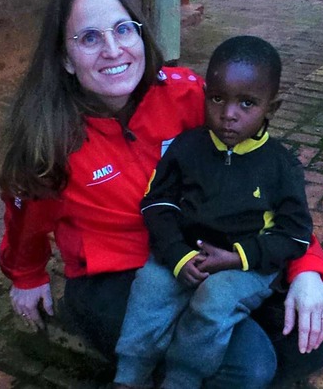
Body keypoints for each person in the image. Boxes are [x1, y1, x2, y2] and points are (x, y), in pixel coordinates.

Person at [0, 0, 323, 388]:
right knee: (249, 363)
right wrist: (27, 276)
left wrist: (306, 269)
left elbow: (264, 177)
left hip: (211, 254)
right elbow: (27, 217)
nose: (113, 50)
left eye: (123, 30)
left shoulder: (188, 96)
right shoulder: (50, 136)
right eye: (90, 38)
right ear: (64, 57)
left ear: (141, 34)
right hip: (121, 276)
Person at [114, 36, 312, 389]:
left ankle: (181, 379)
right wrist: (176, 254)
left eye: (247, 103)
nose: (228, 114)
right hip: (184, 252)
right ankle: (129, 376)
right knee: (149, 287)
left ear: (272, 107)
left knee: (214, 299)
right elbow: (157, 204)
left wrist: (237, 258)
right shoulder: (187, 147)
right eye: (217, 98)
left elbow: (295, 234)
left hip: (248, 264)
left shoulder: (281, 166)